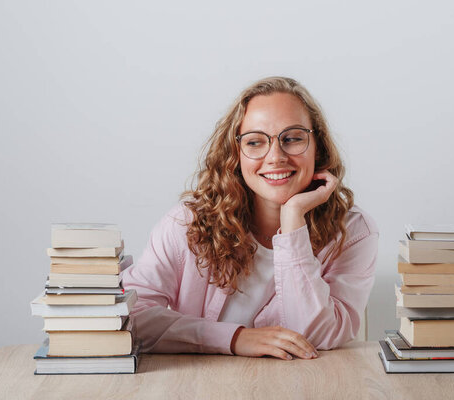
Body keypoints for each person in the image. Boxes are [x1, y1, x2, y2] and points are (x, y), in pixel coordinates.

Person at [121, 76, 378, 361]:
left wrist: (293, 220)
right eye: (255, 142)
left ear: (317, 145)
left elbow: (316, 336)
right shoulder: (187, 223)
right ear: (236, 152)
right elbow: (129, 317)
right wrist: (234, 338)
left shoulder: (354, 232)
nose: (275, 156)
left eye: (292, 138)